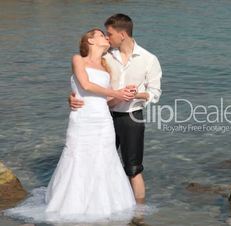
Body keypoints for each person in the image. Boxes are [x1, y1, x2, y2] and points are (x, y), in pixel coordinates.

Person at [5, 28, 139, 222]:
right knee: (76, 156)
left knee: (105, 158)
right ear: (90, 41)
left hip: (103, 121)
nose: (106, 37)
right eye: (101, 35)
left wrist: (123, 95)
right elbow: (85, 85)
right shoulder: (78, 59)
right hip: (82, 119)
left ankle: (104, 206)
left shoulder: (106, 67)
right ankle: (72, 206)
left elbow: (107, 100)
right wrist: (115, 93)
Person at [69, 14, 162, 204]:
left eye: (109, 34)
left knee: (133, 169)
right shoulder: (105, 56)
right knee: (99, 164)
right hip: (102, 117)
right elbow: (85, 81)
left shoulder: (149, 59)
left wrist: (134, 94)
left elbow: (155, 93)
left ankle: (139, 215)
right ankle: (98, 205)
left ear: (122, 34)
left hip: (131, 118)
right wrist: (71, 98)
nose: (107, 38)